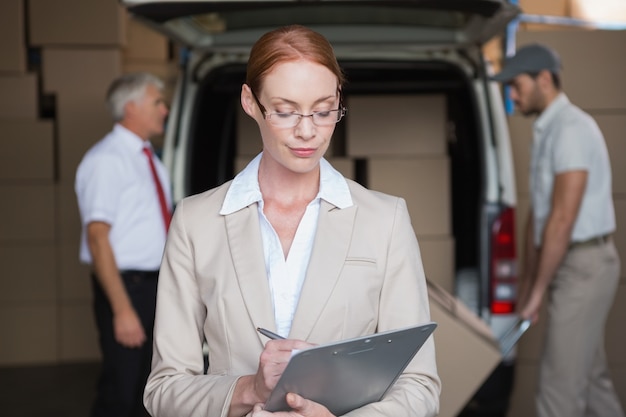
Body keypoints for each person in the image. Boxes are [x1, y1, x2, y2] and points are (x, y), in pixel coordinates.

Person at [143, 25, 440, 417]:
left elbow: (420, 386)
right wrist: (249, 389)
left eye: (323, 110)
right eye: (284, 111)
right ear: (250, 102)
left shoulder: (385, 220)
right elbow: (164, 391)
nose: (307, 131)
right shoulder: (197, 223)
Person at [492, 44, 624, 417]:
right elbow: (540, 215)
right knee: (591, 378)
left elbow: (562, 219)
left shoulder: (572, 129)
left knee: (557, 391)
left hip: (584, 265)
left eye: (516, 86)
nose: (512, 96)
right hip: (567, 263)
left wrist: (536, 292)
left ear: (544, 79)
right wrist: (529, 283)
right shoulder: (547, 130)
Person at [75, 72, 172, 417]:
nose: (165, 109)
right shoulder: (107, 160)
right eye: (158, 102)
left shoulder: (148, 158)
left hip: (153, 285)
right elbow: (98, 239)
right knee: (121, 388)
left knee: (147, 387)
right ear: (131, 107)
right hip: (127, 288)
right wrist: (122, 309)